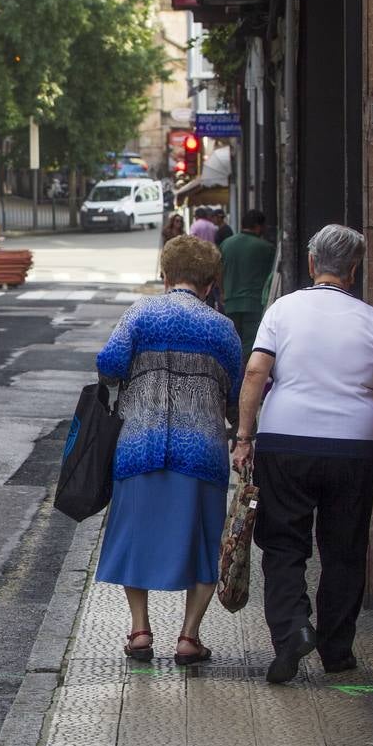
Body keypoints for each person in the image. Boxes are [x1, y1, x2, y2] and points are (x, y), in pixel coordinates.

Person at [232, 225, 373, 684]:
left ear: (312, 264)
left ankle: (291, 631)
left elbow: (254, 373)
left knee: (283, 543)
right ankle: (336, 651)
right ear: (353, 269)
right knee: (345, 548)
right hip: (356, 449)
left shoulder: (283, 311)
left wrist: (245, 436)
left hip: (287, 442)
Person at [94, 235, 243, 666]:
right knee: (202, 544)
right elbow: (234, 392)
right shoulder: (222, 328)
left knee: (134, 539)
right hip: (200, 452)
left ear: (165, 276)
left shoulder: (141, 313)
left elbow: (109, 365)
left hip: (139, 446)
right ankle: (188, 637)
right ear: (212, 283)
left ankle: (140, 631)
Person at [219, 209, 275, 352]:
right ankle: (246, 373)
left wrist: (222, 293)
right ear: (258, 226)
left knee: (232, 342)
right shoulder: (266, 248)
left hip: (230, 302)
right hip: (254, 303)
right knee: (251, 344)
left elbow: (218, 272)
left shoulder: (226, 244)